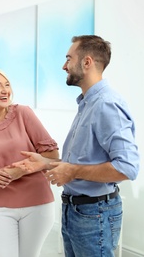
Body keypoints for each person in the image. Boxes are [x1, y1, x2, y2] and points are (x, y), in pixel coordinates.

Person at [15, 35, 140, 257]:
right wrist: (47, 163)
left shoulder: (106, 104)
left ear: (87, 62)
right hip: (75, 211)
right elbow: (83, 161)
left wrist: (72, 171)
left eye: (68, 59)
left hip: (95, 215)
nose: (64, 66)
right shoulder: (86, 104)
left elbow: (127, 168)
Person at [0, 68, 59, 257]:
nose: (5, 90)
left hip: (37, 203)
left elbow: (53, 155)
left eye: (7, 85)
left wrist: (21, 171)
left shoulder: (23, 113)